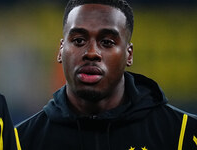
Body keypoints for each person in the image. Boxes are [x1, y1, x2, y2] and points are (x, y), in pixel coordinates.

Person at [15, 0, 197, 150]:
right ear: (61, 50)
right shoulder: (18, 141)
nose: (92, 53)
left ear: (129, 54)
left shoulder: (185, 134)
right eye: (79, 40)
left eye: (107, 42)